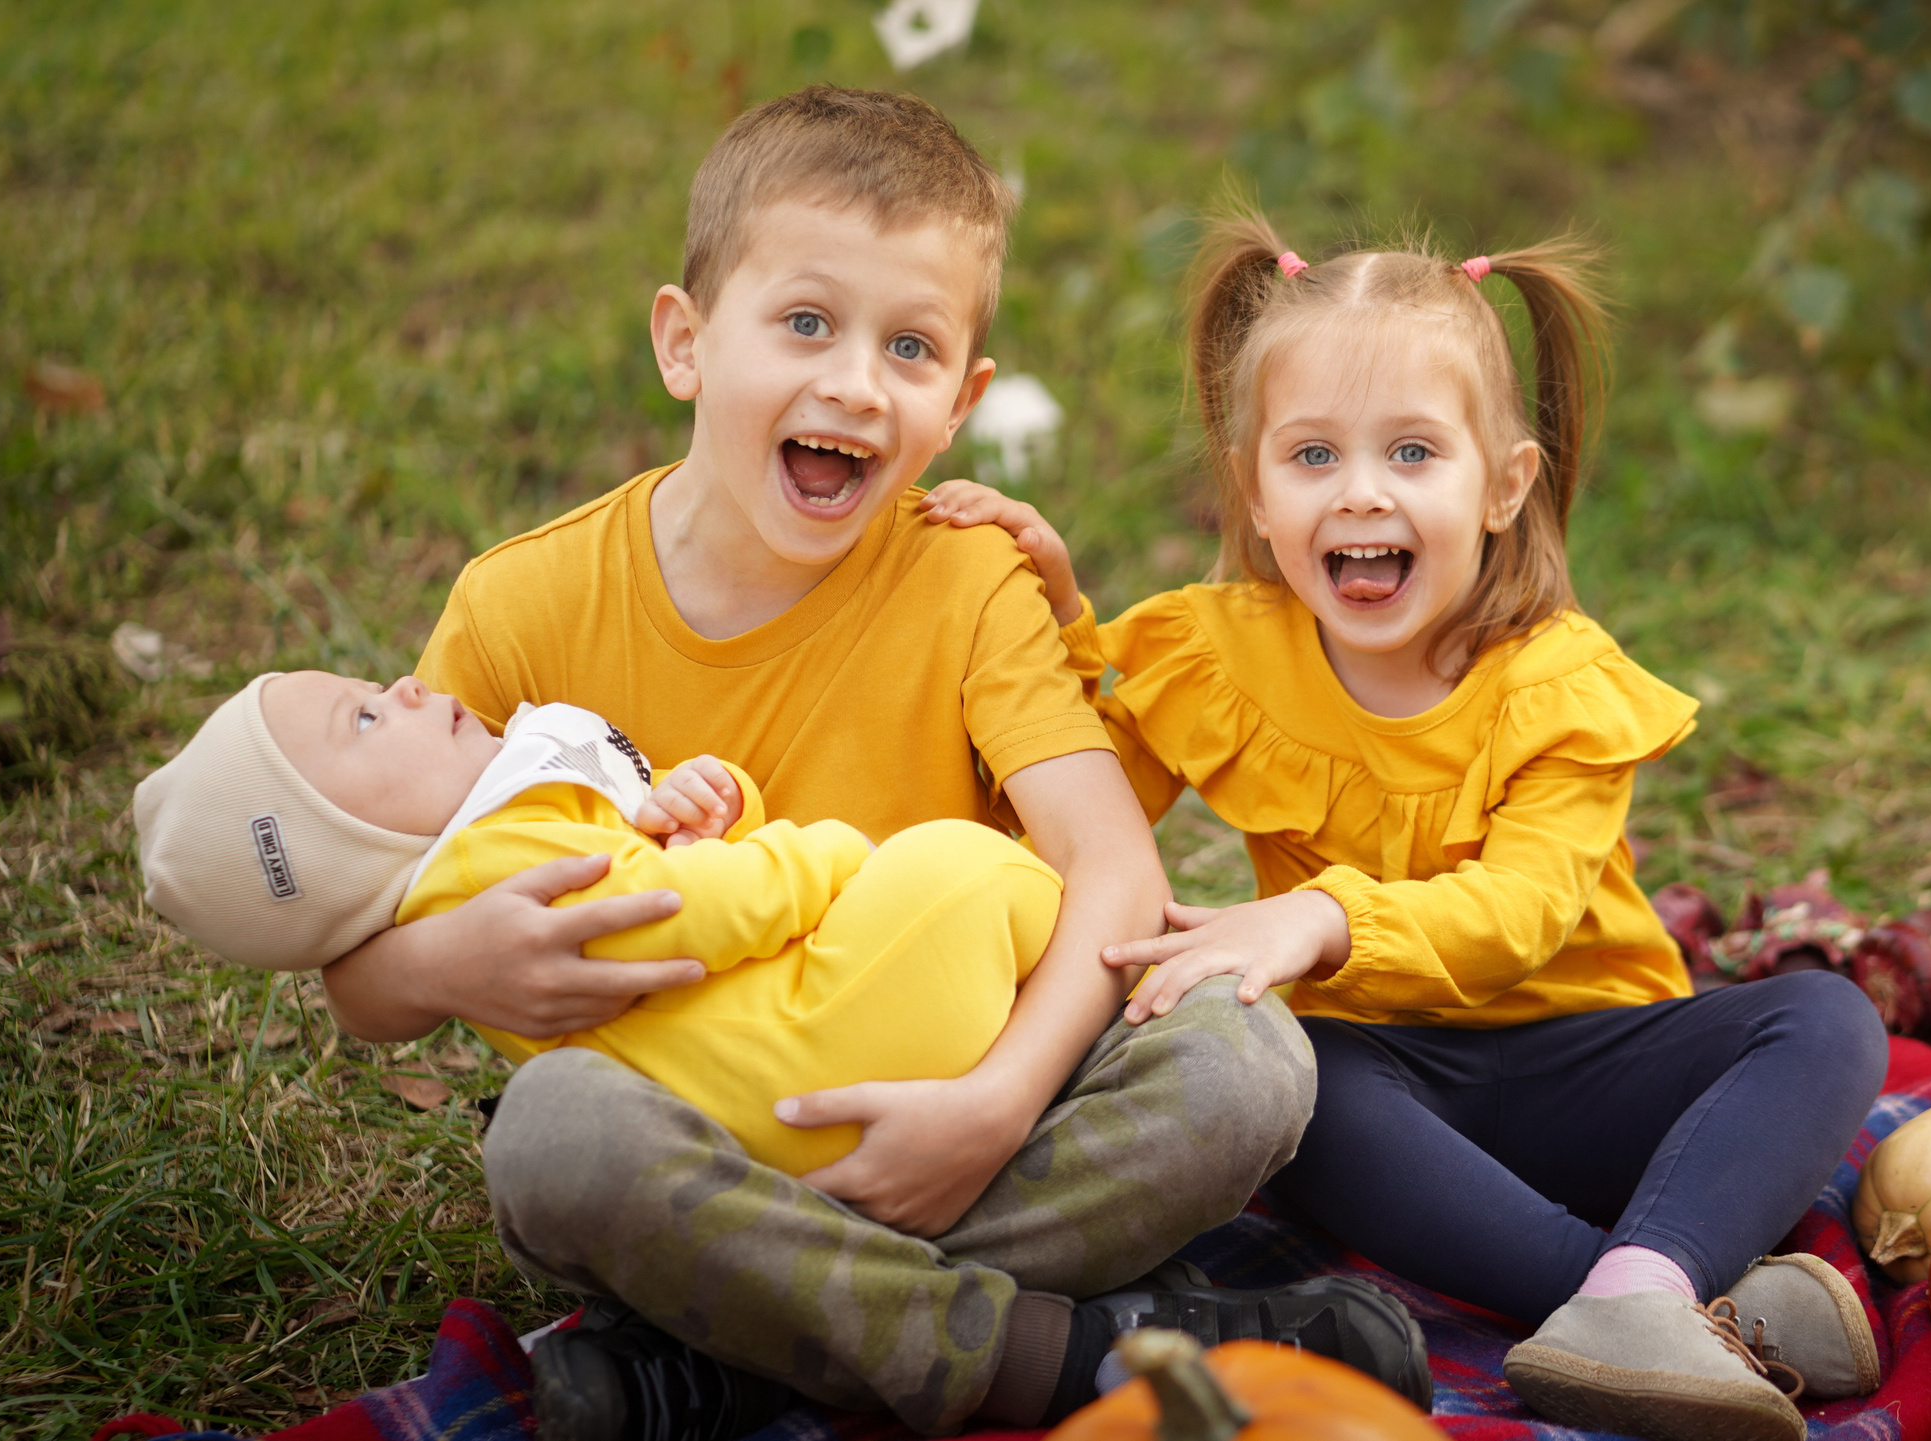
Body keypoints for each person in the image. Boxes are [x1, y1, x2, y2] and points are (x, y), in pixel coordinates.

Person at [310, 92, 1425, 1441]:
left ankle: (723, 1354)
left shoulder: (969, 580)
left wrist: (994, 1100)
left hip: (968, 1096)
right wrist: (449, 963)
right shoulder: (523, 609)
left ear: (959, 403)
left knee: (1245, 1063)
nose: (851, 381)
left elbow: (1112, 864)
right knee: (553, 1137)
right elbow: (359, 968)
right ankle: (1062, 1354)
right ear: (685, 342)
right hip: (697, 1114)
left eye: (908, 347)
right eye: (804, 323)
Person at [922, 213, 1892, 1441]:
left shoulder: (1557, 685)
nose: (1361, 491)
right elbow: (1056, 818)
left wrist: (1319, 914)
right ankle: (1648, 1302)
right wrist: (1043, 621)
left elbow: (1523, 914)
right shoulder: (1211, 656)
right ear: (1254, 490)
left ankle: (1645, 1279)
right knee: (1288, 1074)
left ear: (1503, 485)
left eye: (1413, 453)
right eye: (1312, 455)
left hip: (1593, 1074)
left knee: (1825, 1019)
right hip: (1386, 1099)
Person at [134, 669, 1069, 1179]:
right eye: (368, 720)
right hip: (812, 1057)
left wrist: (707, 807)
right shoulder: (486, 863)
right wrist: (832, 852)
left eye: (373, 686)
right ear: (356, 840)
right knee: (960, 865)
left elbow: (658, 876)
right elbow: (685, 909)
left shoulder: (492, 841)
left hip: (780, 1092)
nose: (407, 687)